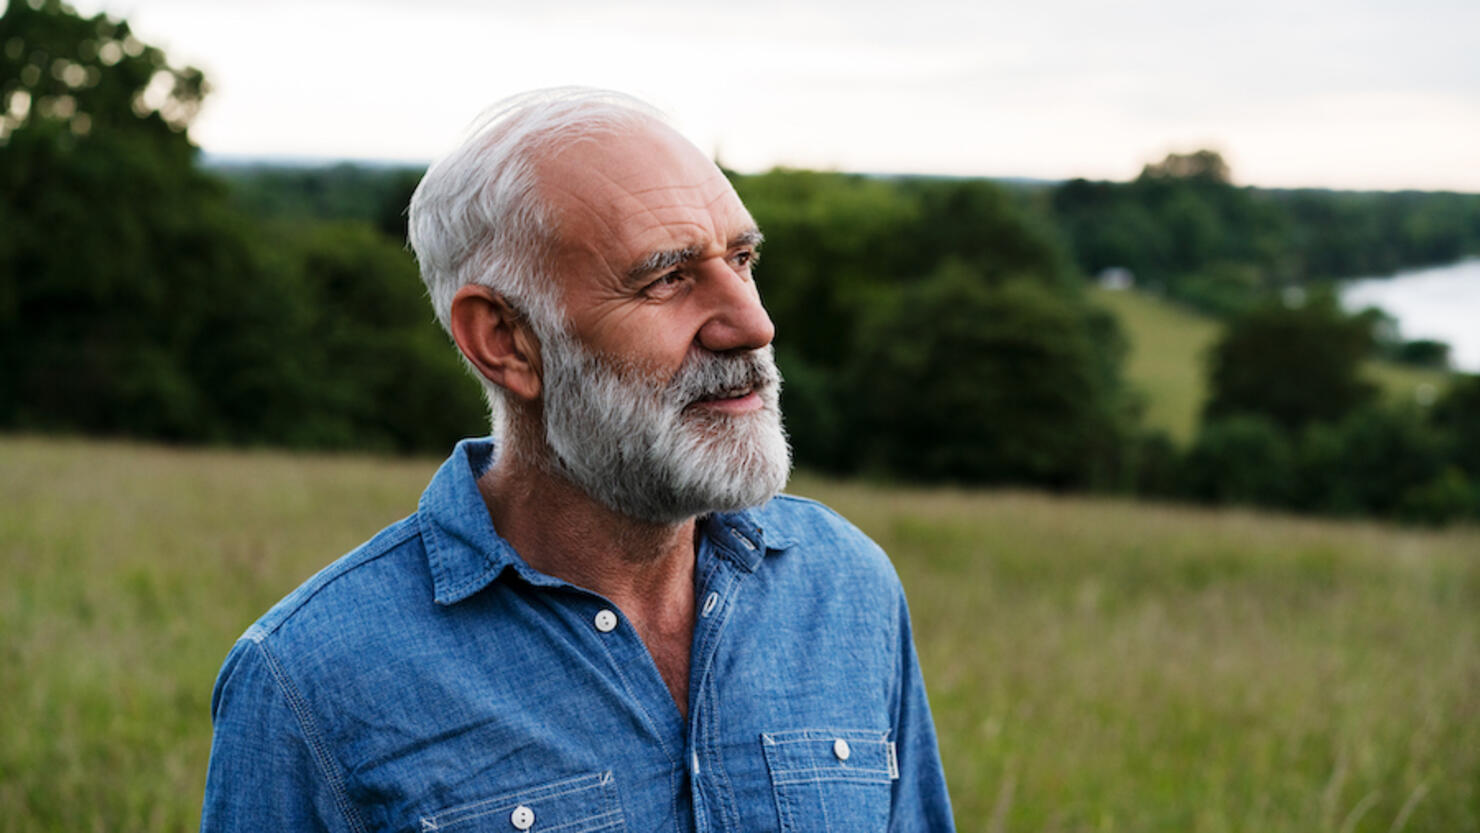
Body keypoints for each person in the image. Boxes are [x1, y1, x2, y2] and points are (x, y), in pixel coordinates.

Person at [200, 87, 955, 832]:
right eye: (666, 278)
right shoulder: (307, 679)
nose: (753, 324)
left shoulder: (847, 588)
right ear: (504, 339)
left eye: (743, 258)